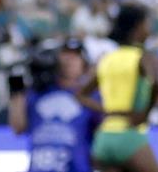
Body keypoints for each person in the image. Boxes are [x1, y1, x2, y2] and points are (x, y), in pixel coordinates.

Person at [84, 4, 158, 172]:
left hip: (104, 138)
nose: (149, 29)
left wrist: (108, 110)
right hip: (130, 136)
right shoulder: (142, 57)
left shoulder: (106, 59)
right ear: (137, 27)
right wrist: (144, 114)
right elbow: (157, 87)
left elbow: (81, 95)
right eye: (146, 24)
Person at [8, 38, 94, 172]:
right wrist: (17, 92)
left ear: (84, 63)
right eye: (65, 55)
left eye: (75, 56)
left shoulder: (91, 96)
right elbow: (18, 128)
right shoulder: (38, 93)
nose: (69, 61)